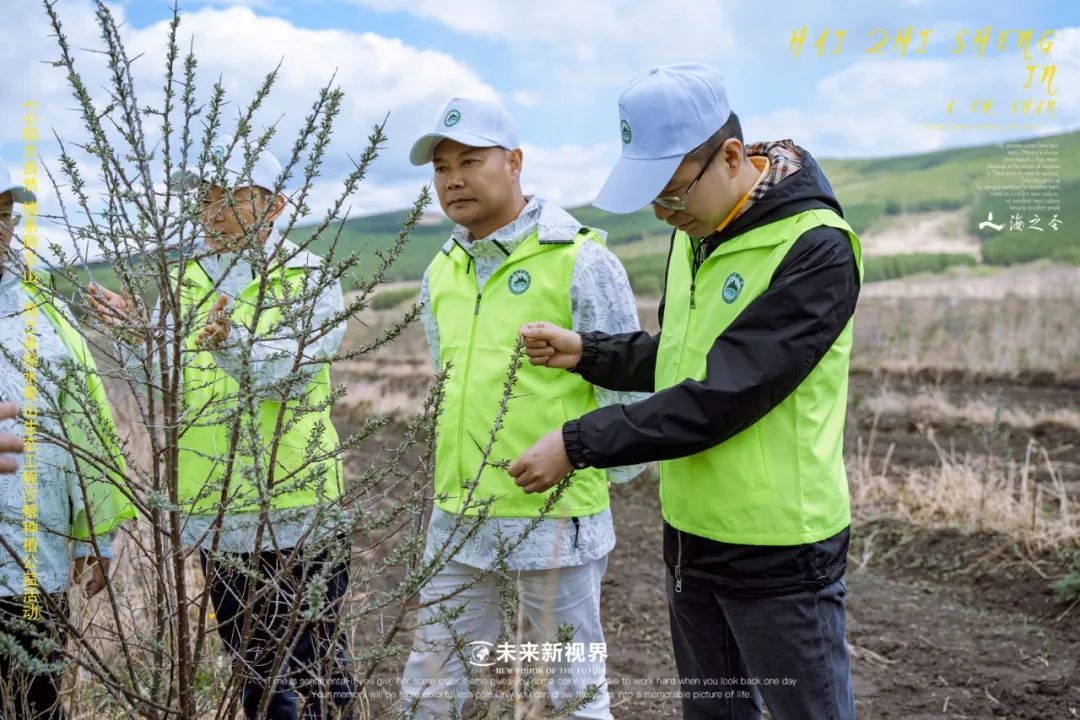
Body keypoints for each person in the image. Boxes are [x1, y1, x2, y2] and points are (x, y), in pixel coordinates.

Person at [510, 63, 861, 720]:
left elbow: (724, 394)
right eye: (652, 200)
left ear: (731, 156)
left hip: (781, 548)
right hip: (692, 533)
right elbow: (683, 361)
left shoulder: (814, 247)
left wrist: (577, 441)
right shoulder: (697, 233)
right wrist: (592, 353)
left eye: (671, 195)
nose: (663, 214)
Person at [399, 98, 647, 720]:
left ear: (513, 162)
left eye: (470, 160)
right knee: (430, 689)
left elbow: (630, 390)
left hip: (554, 517)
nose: (452, 178)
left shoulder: (581, 259)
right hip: (456, 514)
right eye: (440, 167)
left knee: (566, 694)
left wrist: (600, 475)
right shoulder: (441, 270)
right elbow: (448, 379)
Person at [87, 145, 354, 720]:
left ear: (277, 205)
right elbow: (169, 379)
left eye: (232, 197)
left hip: (299, 509)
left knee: (318, 671)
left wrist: (230, 344)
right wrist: (138, 338)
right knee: (255, 675)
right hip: (219, 517)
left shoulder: (309, 277)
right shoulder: (183, 279)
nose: (213, 211)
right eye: (204, 197)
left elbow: (287, 371)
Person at [0, 157, 135, 719]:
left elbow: (89, 430)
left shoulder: (46, 315)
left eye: (3, 213)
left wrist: (93, 537)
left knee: (36, 707)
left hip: (34, 562)